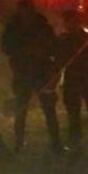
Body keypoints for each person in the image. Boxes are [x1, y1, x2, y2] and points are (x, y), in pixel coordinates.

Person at [1, 0, 62, 154]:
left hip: (41, 72)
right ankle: (19, 142)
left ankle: (56, 143)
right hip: (23, 73)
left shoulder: (42, 25)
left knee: (49, 110)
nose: (25, 14)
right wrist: (24, 51)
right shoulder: (13, 27)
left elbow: (53, 46)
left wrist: (41, 52)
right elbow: (6, 47)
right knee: (21, 110)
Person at [58, 8, 88, 151]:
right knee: (76, 112)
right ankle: (78, 139)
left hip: (86, 78)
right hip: (76, 78)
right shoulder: (67, 39)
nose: (68, 25)